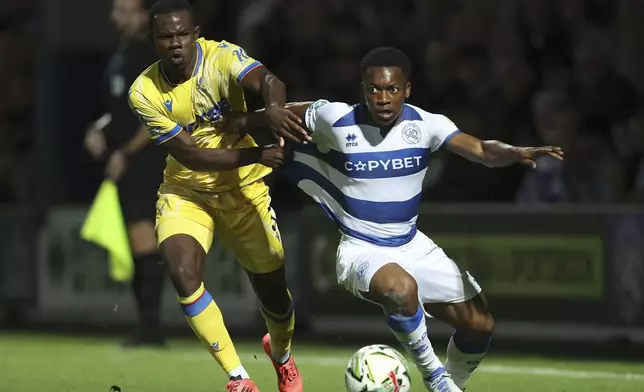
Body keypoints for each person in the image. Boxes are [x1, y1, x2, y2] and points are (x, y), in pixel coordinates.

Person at [262, 47, 563, 391]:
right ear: (364, 89)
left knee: (480, 326)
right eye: (375, 89)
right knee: (401, 289)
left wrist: (513, 152)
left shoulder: (427, 125)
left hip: (412, 243)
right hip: (362, 250)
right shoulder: (336, 118)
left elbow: (480, 150)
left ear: (408, 89)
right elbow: (282, 113)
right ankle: (435, 377)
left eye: (392, 89)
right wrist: (243, 120)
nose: (384, 98)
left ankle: (453, 384)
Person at [127, 1, 308, 391]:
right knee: (182, 272)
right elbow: (191, 154)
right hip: (187, 190)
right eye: (165, 36)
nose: (174, 43)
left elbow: (270, 81)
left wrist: (273, 109)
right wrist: (259, 153)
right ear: (153, 40)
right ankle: (238, 377)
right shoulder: (144, 91)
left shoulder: (221, 56)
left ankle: (281, 356)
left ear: (195, 33)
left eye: (181, 34)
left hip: (244, 191)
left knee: (273, 294)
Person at [84, 0, 167, 348]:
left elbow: (154, 116)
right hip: (125, 164)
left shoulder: (146, 56)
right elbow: (119, 109)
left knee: (144, 242)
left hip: (145, 163)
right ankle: (147, 327)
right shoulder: (120, 53)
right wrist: (99, 128)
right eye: (118, 9)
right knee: (137, 246)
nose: (121, 16)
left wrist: (124, 153)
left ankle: (152, 329)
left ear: (143, 16)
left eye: (129, 10)